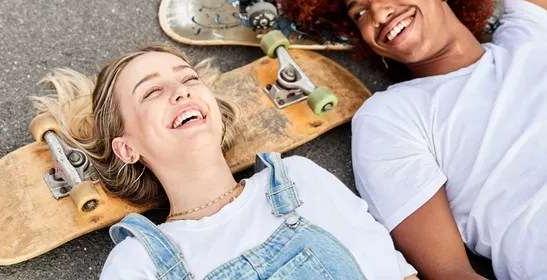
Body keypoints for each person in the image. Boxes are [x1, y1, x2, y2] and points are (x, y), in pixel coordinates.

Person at [280, 0, 547, 280]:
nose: (378, 12)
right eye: (359, 14)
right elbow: (452, 273)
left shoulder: (529, 38)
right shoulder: (391, 117)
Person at [32, 43, 419, 279]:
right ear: (127, 149)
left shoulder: (301, 181)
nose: (180, 92)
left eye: (187, 79)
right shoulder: (139, 265)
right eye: (151, 92)